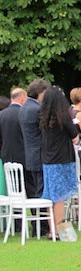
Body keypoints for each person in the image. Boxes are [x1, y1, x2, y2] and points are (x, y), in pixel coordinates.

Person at [39, 86, 79, 240]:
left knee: (51, 196)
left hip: (48, 160)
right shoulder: (63, 117)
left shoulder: (43, 117)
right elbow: (74, 137)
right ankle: (58, 230)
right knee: (60, 197)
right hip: (62, 159)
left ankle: (52, 229)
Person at [19, 78, 51, 236]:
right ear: (40, 93)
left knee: (34, 191)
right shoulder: (37, 109)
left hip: (30, 154)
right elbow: (45, 131)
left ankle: (37, 224)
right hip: (40, 154)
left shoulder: (24, 108)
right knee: (41, 191)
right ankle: (42, 226)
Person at [0, 88, 28, 218]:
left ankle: (16, 222)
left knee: (13, 190)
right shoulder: (24, 113)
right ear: (22, 98)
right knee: (28, 188)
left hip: (6, 155)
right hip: (23, 156)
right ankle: (36, 223)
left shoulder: (2, 114)